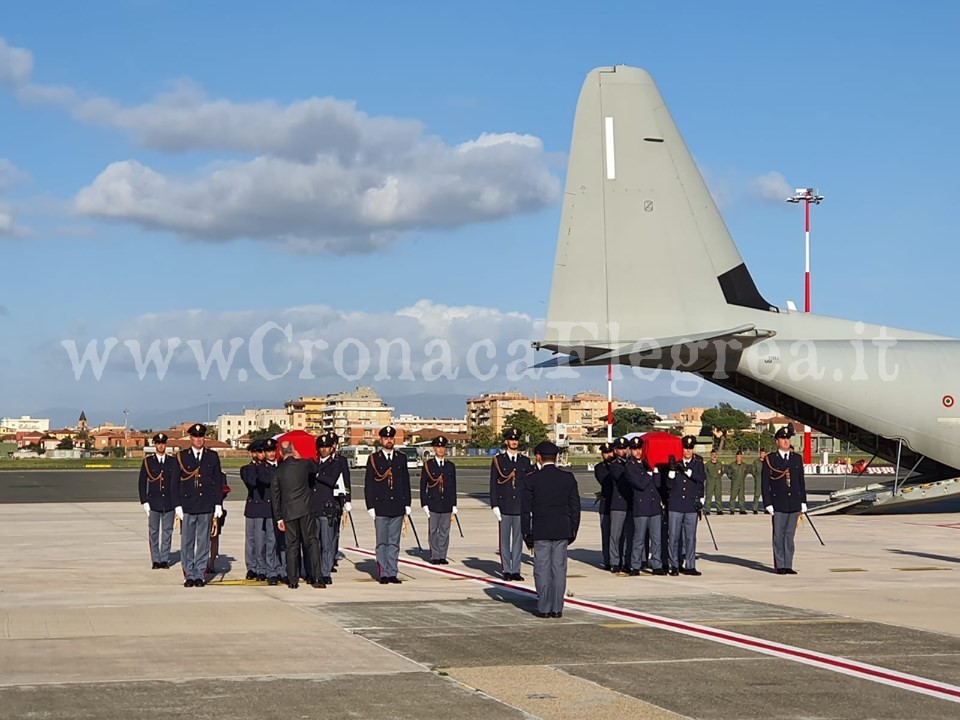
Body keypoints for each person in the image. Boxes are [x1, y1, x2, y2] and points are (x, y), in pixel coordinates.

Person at [521, 441, 580, 618]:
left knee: (542, 568)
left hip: (541, 530)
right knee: (559, 569)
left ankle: (545, 607)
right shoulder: (567, 478)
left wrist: (526, 533)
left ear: (538, 456)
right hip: (562, 529)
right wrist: (573, 530)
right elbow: (575, 507)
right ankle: (557, 608)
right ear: (556, 457)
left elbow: (525, 510)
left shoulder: (531, 479)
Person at [173, 423, 224, 588]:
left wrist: (218, 504)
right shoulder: (182, 456)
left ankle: (200, 574)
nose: (199, 439)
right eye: (195, 436)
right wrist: (177, 506)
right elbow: (175, 483)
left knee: (203, 542)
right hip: (187, 505)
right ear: (190, 438)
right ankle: (189, 574)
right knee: (187, 542)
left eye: (201, 436)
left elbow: (217, 482)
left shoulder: (212, 456)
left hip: (206, 505)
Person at [271, 439, 325, 589]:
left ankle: (293, 579)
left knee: (292, 546)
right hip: (306, 509)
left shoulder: (278, 471)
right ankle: (317, 577)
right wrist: (299, 457)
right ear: (293, 450)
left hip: (289, 512)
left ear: (280, 453)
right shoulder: (304, 464)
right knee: (312, 543)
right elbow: (316, 468)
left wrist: (278, 518)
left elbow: (275, 496)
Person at [364, 426, 412, 585]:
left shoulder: (401, 458)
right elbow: (369, 484)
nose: (389, 441)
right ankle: (383, 572)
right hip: (381, 506)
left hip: (397, 505)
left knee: (394, 543)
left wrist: (407, 503)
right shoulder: (374, 459)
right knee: (382, 542)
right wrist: (370, 505)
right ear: (381, 440)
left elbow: (405, 482)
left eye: (391, 438)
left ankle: (392, 572)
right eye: (386, 438)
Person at [762, 426, 808, 574]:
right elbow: (765, 484)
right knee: (778, 535)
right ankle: (780, 565)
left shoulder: (796, 458)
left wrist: (803, 501)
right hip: (778, 503)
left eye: (788, 439)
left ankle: (788, 564)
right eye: (783, 439)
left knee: (789, 536)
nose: (786, 441)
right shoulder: (770, 459)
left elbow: (800, 482)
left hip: (793, 503)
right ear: (777, 441)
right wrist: (768, 503)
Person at [489, 427, 533, 581]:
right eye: (511, 439)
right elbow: (493, 484)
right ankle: (506, 569)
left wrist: (530, 506)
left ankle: (516, 570)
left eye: (516, 440)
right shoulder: (498, 461)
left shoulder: (525, 461)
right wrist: (494, 505)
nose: (514, 442)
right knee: (505, 541)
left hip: (520, 506)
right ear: (506, 441)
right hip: (504, 505)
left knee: (518, 541)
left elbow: (529, 486)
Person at [622, 437, 665, 576]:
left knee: (656, 538)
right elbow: (639, 484)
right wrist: (649, 473)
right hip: (641, 507)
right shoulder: (629, 467)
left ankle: (657, 564)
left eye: (639, 449)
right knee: (639, 538)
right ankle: (635, 564)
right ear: (631, 450)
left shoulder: (647, 463)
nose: (638, 452)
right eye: (635, 449)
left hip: (654, 506)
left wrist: (656, 470)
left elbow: (657, 484)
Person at [665, 435, 705, 576]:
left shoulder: (698, 463)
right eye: (685, 448)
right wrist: (671, 471)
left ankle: (690, 565)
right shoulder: (675, 462)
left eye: (690, 448)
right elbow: (668, 486)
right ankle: (674, 565)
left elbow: (701, 479)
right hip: (676, 504)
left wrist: (688, 471)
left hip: (690, 505)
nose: (687, 451)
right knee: (674, 536)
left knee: (690, 537)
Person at [138, 432, 177, 569]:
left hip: (169, 502)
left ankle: (164, 559)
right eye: (158, 443)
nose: (161, 446)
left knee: (167, 531)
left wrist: (178, 503)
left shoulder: (173, 461)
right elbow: (142, 482)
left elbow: (176, 483)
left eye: (163, 443)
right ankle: (155, 559)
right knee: (153, 532)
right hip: (153, 502)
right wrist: (144, 501)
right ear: (155, 445)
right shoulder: (148, 462)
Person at [420, 435, 457, 564]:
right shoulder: (428, 465)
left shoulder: (450, 466)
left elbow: (453, 486)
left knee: (445, 531)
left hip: (446, 503)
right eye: (438, 447)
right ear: (434, 449)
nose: (441, 450)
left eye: (443, 447)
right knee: (433, 530)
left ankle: (442, 555)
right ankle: (435, 555)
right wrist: (424, 503)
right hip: (433, 502)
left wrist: (454, 504)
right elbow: (423, 485)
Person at [242, 439, 272, 581]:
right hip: (252, 507)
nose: (261, 454)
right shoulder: (247, 469)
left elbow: (266, 481)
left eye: (262, 451)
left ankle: (261, 568)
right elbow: (252, 482)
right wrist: (257, 465)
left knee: (261, 541)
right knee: (250, 541)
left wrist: (261, 465)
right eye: (258, 452)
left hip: (263, 507)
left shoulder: (268, 468)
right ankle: (251, 567)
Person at [606, 437, 634, 574]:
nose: (623, 451)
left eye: (625, 448)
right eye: (620, 448)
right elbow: (622, 478)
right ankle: (615, 562)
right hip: (619, 503)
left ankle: (627, 561)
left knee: (630, 535)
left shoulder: (633, 463)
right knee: (616, 535)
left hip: (632, 504)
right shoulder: (614, 464)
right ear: (615, 450)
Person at [328, 431, 352, 568]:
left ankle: (333, 554)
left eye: (334, 444)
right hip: (326, 496)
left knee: (335, 529)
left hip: (338, 497)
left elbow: (346, 479)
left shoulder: (341, 460)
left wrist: (348, 499)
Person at [593, 442, 615, 570]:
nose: (608, 455)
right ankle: (608, 560)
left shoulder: (621, 465)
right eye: (605, 453)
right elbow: (606, 482)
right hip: (607, 503)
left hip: (620, 504)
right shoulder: (600, 467)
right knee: (606, 533)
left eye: (610, 452)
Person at [726, 450, 749, 515]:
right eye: (738, 456)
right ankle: (732, 509)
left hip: (741, 482)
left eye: (740, 456)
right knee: (733, 496)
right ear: (736, 457)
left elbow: (746, 473)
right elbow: (728, 473)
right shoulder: (732, 465)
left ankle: (742, 509)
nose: (739, 457)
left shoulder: (744, 465)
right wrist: (732, 478)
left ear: (742, 457)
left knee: (741, 496)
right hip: (734, 483)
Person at [704, 449, 724, 515]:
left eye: (715, 455)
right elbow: (705, 472)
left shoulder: (720, 464)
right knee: (709, 496)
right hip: (710, 481)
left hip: (718, 481)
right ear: (711, 456)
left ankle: (719, 509)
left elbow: (722, 472)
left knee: (718, 495)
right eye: (713, 455)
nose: (714, 456)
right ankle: (707, 510)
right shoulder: (707, 464)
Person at [750, 449, 766, 514]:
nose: (763, 455)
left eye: (764, 453)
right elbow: (753, 471)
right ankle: (755, 508)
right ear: (760, 454)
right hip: (758, 479)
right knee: (757, 494)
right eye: (762, 453)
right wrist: (756, 477)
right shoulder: (756, 462)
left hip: (766, 480)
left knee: (766, 495)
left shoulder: (768, 461)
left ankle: (766, 508)